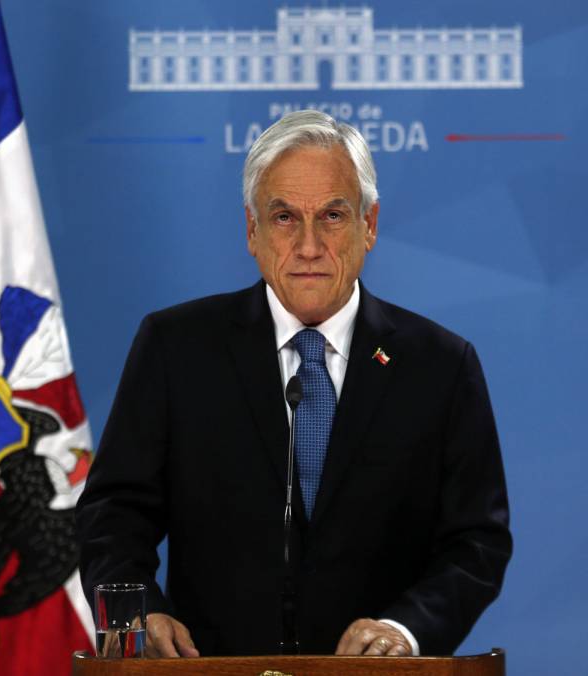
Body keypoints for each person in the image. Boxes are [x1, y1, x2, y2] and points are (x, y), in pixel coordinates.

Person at [76, 110, 511, 657]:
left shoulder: (440, 365)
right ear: (252, 231)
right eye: (284, 218)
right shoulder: (176, 348)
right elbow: (113, 513)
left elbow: (476, 542)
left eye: (332, 215)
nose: (309, 246)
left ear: (369, 225)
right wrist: (140, 611)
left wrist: (406, 630)